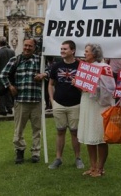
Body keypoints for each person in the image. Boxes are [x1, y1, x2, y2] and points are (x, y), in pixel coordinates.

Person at [0, 38, 46, 164]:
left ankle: (36, 152)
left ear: (35, 48)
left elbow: (49, 71)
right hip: (21, 100)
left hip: (36, 100)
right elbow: (2, 75)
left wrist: (43, 75)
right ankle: (19, 150)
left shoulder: (39, 60)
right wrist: (10, 86)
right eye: (25, 45)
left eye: (30, 46)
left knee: (37, 129)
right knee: (19, 129)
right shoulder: (15, 59)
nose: (27, 48)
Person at [78, 43, 116, 177]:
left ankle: (100, 168)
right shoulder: (85, 67)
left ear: (94, 54)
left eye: (87, 51)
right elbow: (83, 86)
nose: (84, 53)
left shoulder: (105, 68)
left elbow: (110, 88)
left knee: (100, 136)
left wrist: (94, 88)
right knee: (89, 135)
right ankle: (92, 167)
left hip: (100, 104)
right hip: (87, 101)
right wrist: (78, 83)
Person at [47, 40, 84, 170]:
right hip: (59, 103)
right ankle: (58, 158)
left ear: (73, 51)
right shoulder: (56, 66)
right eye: (61, 49)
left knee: (75, 132)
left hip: (75, 104)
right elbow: (51, 84)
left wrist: (78, 84)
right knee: (60, 131)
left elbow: (85, 88)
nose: (62, 51)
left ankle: (78, 158)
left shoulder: (80, 66)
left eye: (65, 49)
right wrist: (52, 100)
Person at [0, 36, 15, 116]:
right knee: (9, 92)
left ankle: (2, 109)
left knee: (1, 93)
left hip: (0, 75)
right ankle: (9, 108)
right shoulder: (12, 51)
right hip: (10, 74)